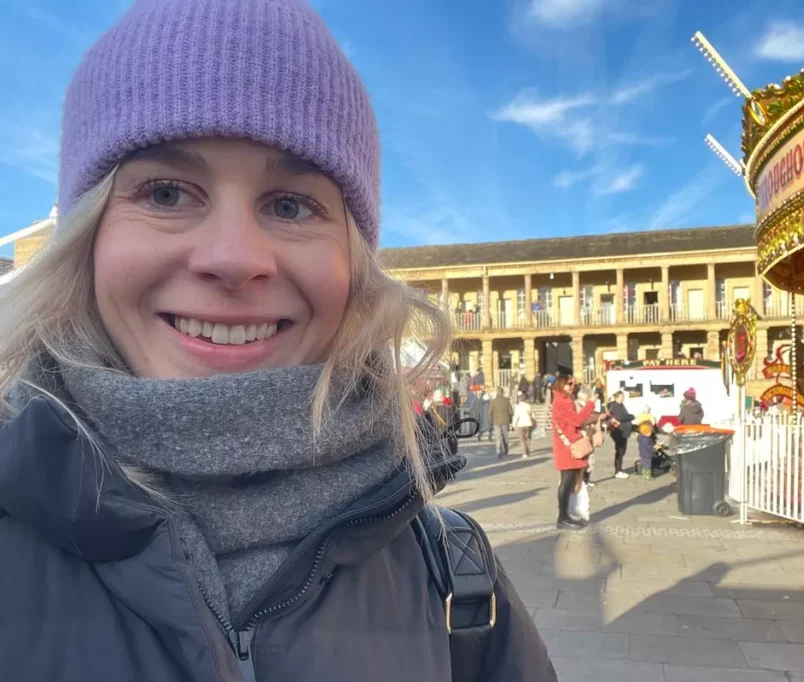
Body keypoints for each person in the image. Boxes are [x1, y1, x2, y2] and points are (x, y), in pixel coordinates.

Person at [0, 2, 556, 680]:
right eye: (168, 193)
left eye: (291, 205)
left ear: (354, 267)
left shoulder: (458, 578)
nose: (235, 258)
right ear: (84, 239)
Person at [550, 376, 604, 528]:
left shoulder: (564, 400)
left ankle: (566, 514)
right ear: (561, 385)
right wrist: (590, 404)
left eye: (574, 384)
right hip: (567, 447)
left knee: (570, 481)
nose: (572, 386)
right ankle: (562, 517)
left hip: (568, 445)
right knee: (566, 481)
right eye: (569, 384)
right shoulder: (562, 402)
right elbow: (576, 420)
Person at [606, 391, 635, 479]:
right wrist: (631, 416)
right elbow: (620, 417)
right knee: (620, 450)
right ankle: (618, 471)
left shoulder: (620, 405)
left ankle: (619, 470)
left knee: (622, 450)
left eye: (623, 397)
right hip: (618, 431)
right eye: (621, 396)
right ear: (616, 397)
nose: (623, 398)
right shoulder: (614, 406)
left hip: (623, 431)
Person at [489, 387, 514, 458]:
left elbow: (490, 412)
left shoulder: (493, 401)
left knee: (498, 437)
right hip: (505, 421)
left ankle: (498, 450)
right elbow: (511, 412)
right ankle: (506, 449)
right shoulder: (506, 401)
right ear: (502, 393)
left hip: (496, 421)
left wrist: (491, 421)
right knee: (505, 436)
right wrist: (510, 419)